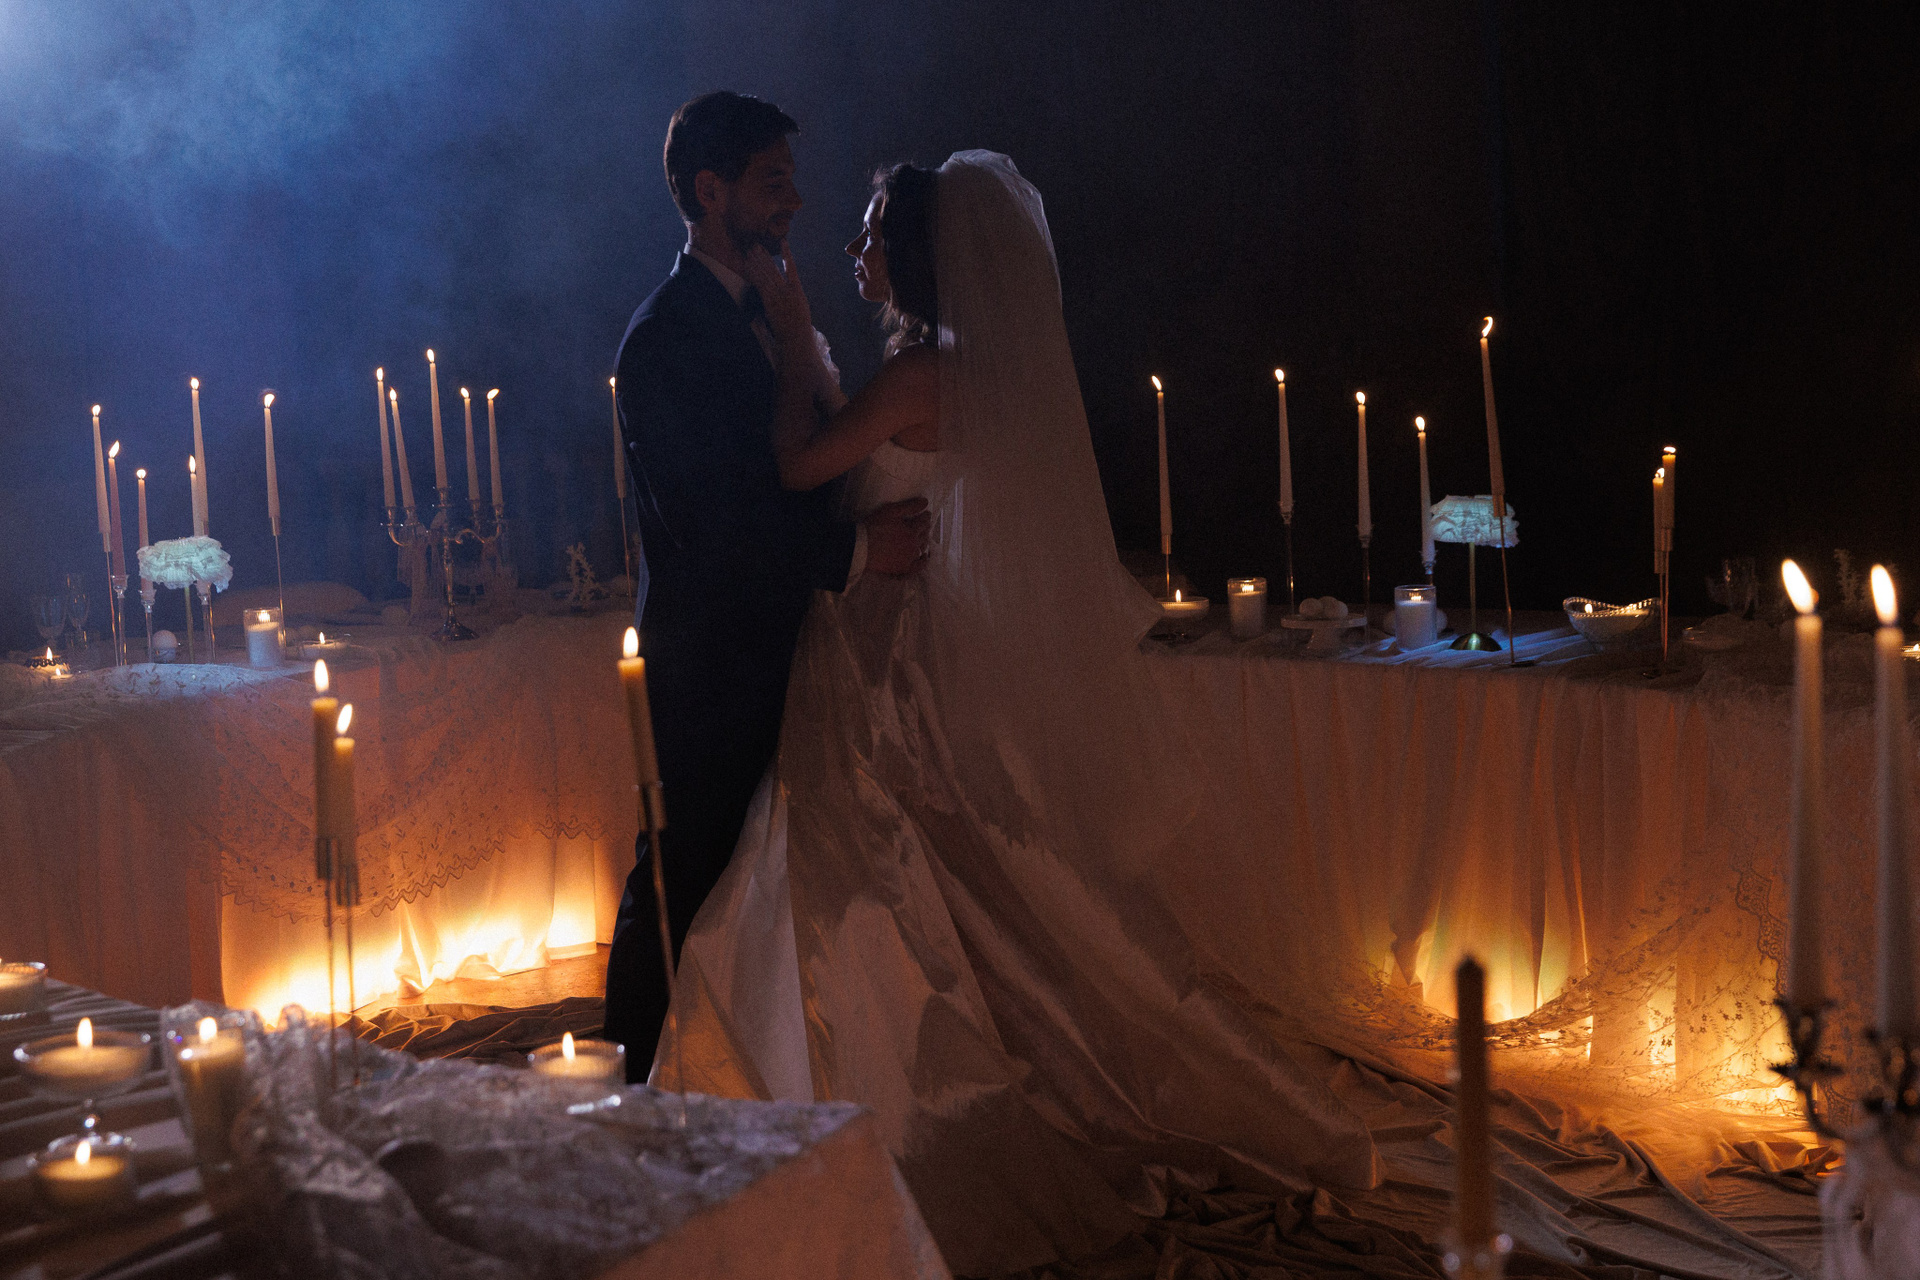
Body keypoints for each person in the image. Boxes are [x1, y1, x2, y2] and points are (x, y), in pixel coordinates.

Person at [660, 151, 1380, 1276]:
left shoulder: (920, 376)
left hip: (878, 651)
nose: (853, 248)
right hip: (902, 629)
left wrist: (796, 338)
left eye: (871, 234)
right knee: (931, 873)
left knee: (862, 867)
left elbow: (799, 468)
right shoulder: (959, 368)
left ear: (919, 255)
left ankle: (876, 1078)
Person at [601, 91, 930, 1072]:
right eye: (772, 179)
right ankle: (626, 1085)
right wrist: (858, 552)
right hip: (711, 664)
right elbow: (714, 531)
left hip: (798, 648)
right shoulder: (664, 339)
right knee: (683, 875)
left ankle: (749, 1074)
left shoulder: (776, 310)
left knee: (766, 887)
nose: (795, 199)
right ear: (711, 191)